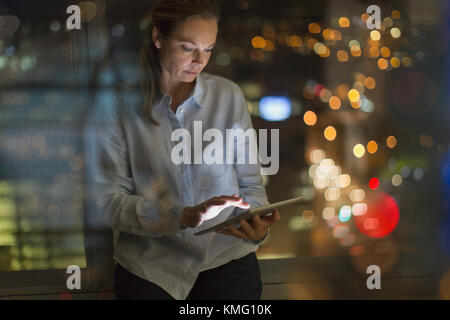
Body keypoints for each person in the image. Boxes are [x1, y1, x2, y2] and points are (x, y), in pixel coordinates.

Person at [86, 0, 280, 300]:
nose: (199, 61)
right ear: (158, 38)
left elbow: (251, 185)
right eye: (188, 47)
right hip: (151, 270)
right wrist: (182, 216)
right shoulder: (119, 105)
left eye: (208, 49)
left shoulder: (228, 96)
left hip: (226, 262)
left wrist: (257, 228)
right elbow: (108, 203)